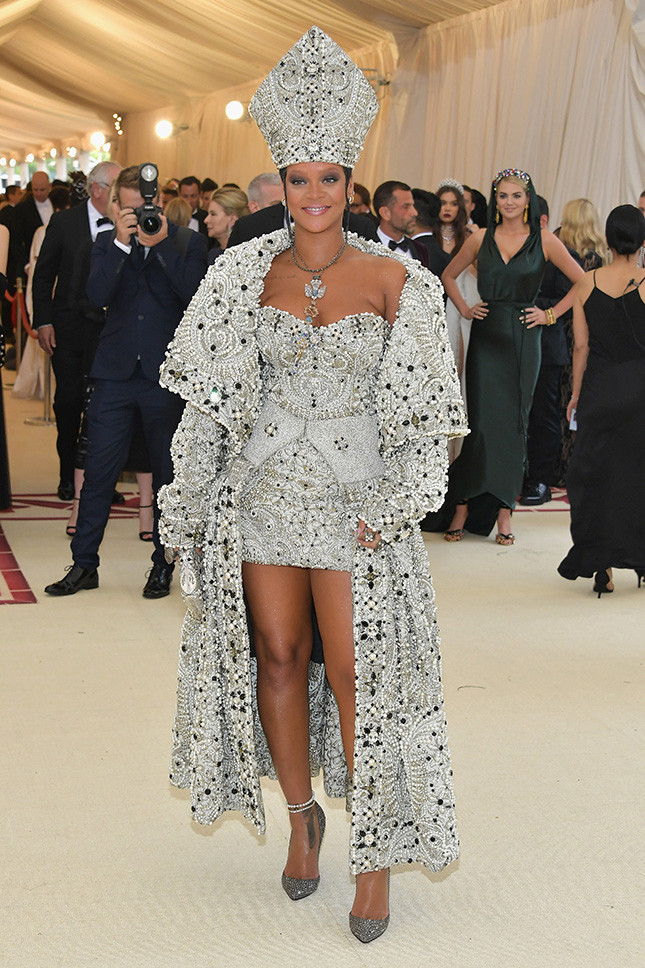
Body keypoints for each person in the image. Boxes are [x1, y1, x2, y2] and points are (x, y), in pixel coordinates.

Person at [158, 26, 466, 944]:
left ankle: (373, 858)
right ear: (282, 184)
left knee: (360, 671)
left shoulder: (397, 279)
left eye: (330, 178)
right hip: (261, 498)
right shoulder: (239, 275)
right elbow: (209, 406)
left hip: (355, 506)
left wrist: (396, 501)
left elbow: (429, 418)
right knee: (278, 657)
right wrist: (192, 501)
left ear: (349, 183)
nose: (315, 194)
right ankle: (302, 821)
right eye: (300, 179)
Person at [44, 164, 207, 599]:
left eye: (146, 207)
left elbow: (194, 296)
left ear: (160, 203)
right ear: (115, 206)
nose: (140, 217)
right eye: (130, 209)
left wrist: (160, 246)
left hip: (164, 377)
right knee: (98, 473)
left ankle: (162, 566)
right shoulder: (105, 243)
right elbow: (95, 296)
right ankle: (83, 564)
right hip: (114, 374)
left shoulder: (187, 242)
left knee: (168, 476)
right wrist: (120, 243)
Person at [440, 168, 583, 543]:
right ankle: (462, 506)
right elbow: (448, 275)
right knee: (480, 425)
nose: (509, 202)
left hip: (524, 340)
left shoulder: (545, 240)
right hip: (486, 339)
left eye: (516, 195)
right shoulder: (480, 238)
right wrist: (466, 309)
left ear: (528, 199)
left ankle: (505, 511)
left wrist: (550, 314)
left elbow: (583, 281)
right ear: (495, 200)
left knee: (516, 425)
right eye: (502, 195)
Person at [558, 205, 645, 595]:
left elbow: (581, 346)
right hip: (640, 391)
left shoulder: (587, 282)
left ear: (608, 240)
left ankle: (602, 566)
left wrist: (576, 394)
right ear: (642, 241)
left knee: (595, 477)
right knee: (638, 475)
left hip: (599, 389)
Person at [33, 161, 122, 500]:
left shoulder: (128, 222)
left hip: (111, 331)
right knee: (69, 403)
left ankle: (103, 481)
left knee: (106, 409)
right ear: (97, 189)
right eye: (116, 186)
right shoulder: (64, 222)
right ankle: (68, 476)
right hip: (68, 328)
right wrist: (43, 321)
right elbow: (44, 275)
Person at [519, 196, 583, 505]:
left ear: (542, 221)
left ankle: (540, 479)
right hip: (510, 343)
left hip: (547, 343)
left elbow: (579, 287)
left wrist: (549, 314)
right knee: (514, 414)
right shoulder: (509, 249)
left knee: (543, 415)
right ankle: (514, 475)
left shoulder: (562, 253)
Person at [203, 187, 250, 263]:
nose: (206, 220)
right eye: (208, 214)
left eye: (213, 214)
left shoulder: (248, 256)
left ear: (233, 219)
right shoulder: (211, 255)